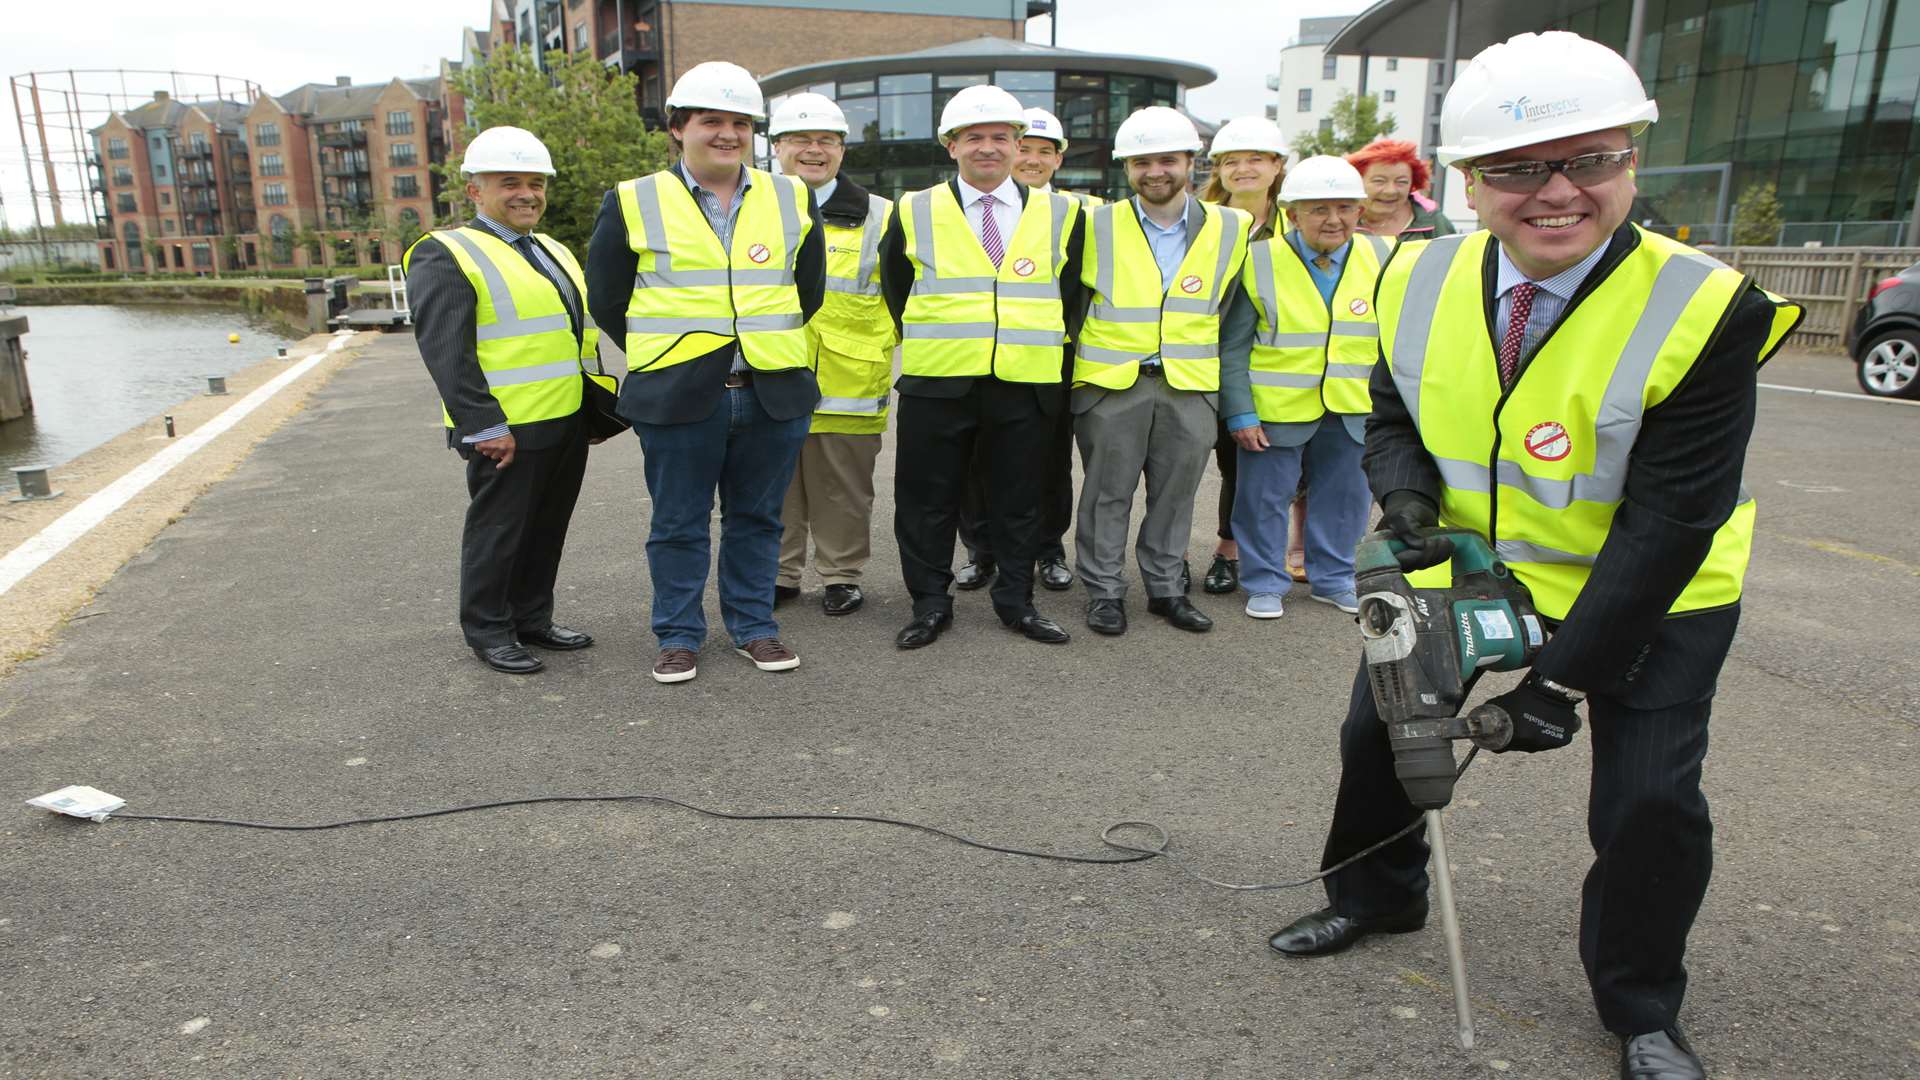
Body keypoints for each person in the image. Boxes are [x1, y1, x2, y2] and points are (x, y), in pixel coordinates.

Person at [1264, 33, 1802, 1080]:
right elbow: (1392, 416)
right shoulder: (1415, 277)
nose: (1556, 192)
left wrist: (1558, 682)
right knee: (1378, 738)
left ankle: (1642, 1005)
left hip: (1653, 591)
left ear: (1631, 160)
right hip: (1468, 565)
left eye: (1589, 160)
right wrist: (1410, 497)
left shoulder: (1707, 307)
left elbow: (1672, 521)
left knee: (1648, 802)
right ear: (1469, 182)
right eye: (1517, 169)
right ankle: (1375, 898)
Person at [585, 61, 826, 685]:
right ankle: (678, 636)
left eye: (740, 123)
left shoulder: (791, 195)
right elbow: (608, 297)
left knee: (759, 518)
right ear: (677, 129)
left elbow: (809, 290)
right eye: (710, 121)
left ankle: (754, 628)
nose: (727, 134)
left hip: (772, 388)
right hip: (677, 393)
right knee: (677, 524)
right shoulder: (634, 198)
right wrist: (669, 352)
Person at [878, 85, 1087, 649]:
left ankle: (1017, 602)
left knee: (1020, 498)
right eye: (974, 137)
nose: (988, 148)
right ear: (951, 146)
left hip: (1026, 381)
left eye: (1001, 137)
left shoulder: (1063, 212)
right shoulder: (913, 209)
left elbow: (1070, 295)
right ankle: (928, 604)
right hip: (938, 379)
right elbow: (898, 287)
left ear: (1019, 144)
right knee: (926, 500)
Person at [406, 126, 600, 675]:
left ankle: (533, 617)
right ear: (475, 191)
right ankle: (489, 630)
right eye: (509, 182)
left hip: (562, 418)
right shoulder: (445, 253)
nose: (527, 194)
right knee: (498, 531)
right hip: (504, 429)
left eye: (536, 183)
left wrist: (590, 410)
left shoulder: (551, 248)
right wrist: (482, 424)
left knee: (546, 527)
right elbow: (447, 351)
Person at [1072, 106, 1249, 636]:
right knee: (1107, 493)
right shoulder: (1093, 223)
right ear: (1126, 168)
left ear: (1191, 163)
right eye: (1141, 161)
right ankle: (1104, 591)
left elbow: (1230, 310)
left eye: (1167, 160)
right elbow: (1073, 303)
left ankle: (1166, 589)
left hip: (1189, 387)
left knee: (1177, 495)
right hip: (1111, 385)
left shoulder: (1231, 226)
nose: (1155, 171)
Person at [1219, 156, 1389, 620]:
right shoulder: (1258, 262)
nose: (1333, 219)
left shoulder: (1383, 257)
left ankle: (1333, 579)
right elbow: (1232, 346)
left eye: (1344, 208)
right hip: (1274, 409)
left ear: (1359, 212)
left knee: (1346, 500)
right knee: (1261, 501)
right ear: (1292, 214)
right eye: (1317, 209)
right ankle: (1263, 582)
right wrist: (1240, 413)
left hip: (1353, 407)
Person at [952, 107, 1093, 596]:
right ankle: (981, 548)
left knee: (1048, 457)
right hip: (973, 353)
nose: (1032, 160)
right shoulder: (962, 207)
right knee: (975, 458)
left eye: (1043, 151)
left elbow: (1080, 289)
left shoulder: (1079, 212)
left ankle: (1048, 547)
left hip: (1046, 354)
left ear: (1058, 159)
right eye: (1026, 149)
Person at [768, 93, 897, 618]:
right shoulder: (755, 208)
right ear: (777, 147)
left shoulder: (882, 216)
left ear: (842, 150)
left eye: (826, 141)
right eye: (801, 139)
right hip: (772, 372)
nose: (813, 150)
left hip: (850, 380)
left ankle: (842, 575)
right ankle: (778, 573)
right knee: (773, 484)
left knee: (844, 489)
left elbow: (904, 296)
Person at [1196, 115, 1287, 598]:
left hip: (1264, 366)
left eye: (1256, 159)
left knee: (1241, 465)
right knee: (1186, 467)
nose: (1244, 169)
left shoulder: (1297, 223)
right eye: (1232, 161)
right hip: (1194, 359)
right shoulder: (1201, 220)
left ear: (1277, 165)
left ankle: (1227, 552)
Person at [1348, 139, 1456, 240]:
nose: (1391, 191)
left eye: (1401, 182)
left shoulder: (1434, 223)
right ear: (1358, 180)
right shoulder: (1341, 220)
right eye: (1379, 181)